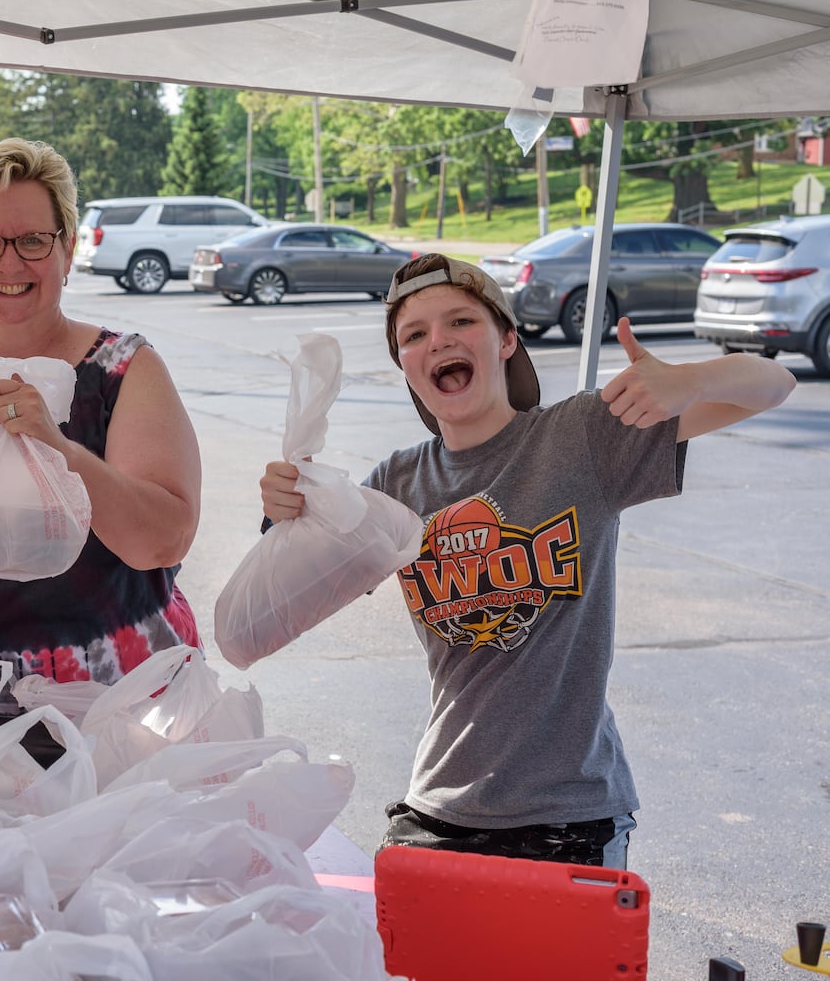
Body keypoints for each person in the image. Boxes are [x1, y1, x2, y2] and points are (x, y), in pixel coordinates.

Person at [259, 253, 795, 869]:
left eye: (460, 322)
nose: (438, 341)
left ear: (507, 339)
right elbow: (284, 604)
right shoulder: (397, 485)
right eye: (414, 335)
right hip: (438, 808)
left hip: (569, 815)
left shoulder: (582, 437)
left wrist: (695, 380)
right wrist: (284, 518)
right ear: (405, 365)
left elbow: (774, 385)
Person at [0, 137, 202, 759]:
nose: (11, 263)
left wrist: (59, 451)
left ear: (67, 249)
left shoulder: (126, 369)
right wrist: (1, 553)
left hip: (123, 705)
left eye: (33, 241)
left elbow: (161, 540)